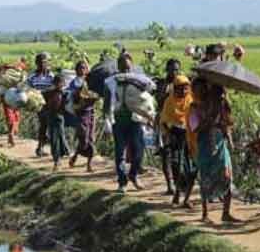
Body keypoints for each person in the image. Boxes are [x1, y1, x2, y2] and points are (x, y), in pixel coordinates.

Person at [189, 81, 236, 223]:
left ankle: (226, 213)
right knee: (205, 177)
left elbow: (228, 123)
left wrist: (228, 136)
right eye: (197, 90)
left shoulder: (219, 106)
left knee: (227, 175)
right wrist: (208, 121)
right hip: (204, 145)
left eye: (202, 89)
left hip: (220, 143)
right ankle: (205, 214)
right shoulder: (195, 108)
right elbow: (195, 128)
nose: (200, 93)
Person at [104, 53, 149, 193]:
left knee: (139, 151)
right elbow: (106, 104)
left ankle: (133, 174)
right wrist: (107, 122)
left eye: (128, 68)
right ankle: (122, 182)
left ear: (132, 67)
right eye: (123, 68)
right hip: (119, 119)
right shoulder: (110, 82)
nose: (126, 71)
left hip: (135, 119)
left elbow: (146, 98)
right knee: (120, 152)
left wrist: (147, 115)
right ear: (118, 67)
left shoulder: (138, 81)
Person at [160, 74, 196, 208]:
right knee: (177, 165)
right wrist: (168, 135)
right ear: (174, 88)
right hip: (176, 136)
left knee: (190, 168)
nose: (183, 91)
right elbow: (163, 121)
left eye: (185, 88)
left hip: (190, 137)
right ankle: (177, 192)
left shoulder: (192, 101)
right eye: (179, 89)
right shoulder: (169, 102)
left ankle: (185, 197)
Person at [155, 59, 182, 194]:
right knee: (166, 153)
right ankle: (170, 184)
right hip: (165, 122)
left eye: (176, 69)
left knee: (178, 156)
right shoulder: (162, 84)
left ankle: (178, 184)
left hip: (179, 123)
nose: (174, 72)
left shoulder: (182, 83)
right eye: (172, 69)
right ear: (167, 70)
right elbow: (159, 101)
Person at [68, 60, 96, 172]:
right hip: (80, 112)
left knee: (90, 138)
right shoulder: (74, 82)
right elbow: (72, 96)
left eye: (84, 68)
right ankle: (75, 156)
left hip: (91, 111)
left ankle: (89, 164)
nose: (82, 70)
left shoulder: (89, 81)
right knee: (83, 138)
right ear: (76, 70)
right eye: (80, 68)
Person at [27, 53, 55, 157]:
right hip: (39, 105)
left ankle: (42, 146)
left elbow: (55, 87)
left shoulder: (51, 76)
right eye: (40, 62)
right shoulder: (32, 77)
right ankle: (41, 147)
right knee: (44, 124)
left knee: (46, 125)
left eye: (44, 62)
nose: (43, 64)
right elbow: (28, 89)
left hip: (50, 104)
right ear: (36, 63)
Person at [44, 75, 69, 172]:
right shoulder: (49, 93)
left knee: (62, 136)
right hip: (51, 117)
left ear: (63, 84)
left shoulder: (64, 94)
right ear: (54, 84)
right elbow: (43, 101)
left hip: (60, 117)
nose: (59, 85)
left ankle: (64, 153)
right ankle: (56, 160)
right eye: (57, 83)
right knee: (54, 139)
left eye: (61, 83)